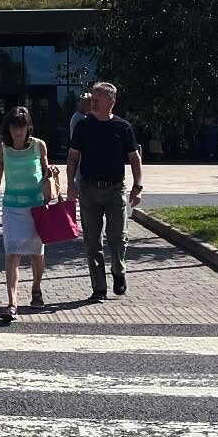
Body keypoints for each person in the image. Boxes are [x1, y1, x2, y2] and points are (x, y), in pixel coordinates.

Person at [67, 81, 144, 301]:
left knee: (117, 237)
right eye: (92, 99)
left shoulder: (123, 127)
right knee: (92, 241)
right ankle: (99, 288)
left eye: (97, 99)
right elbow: (73, 157)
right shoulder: (83, 126)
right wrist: (71, 185)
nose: (92, 103)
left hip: (115, 190)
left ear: (111, 101)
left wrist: (138, 186)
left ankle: (118, 270)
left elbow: (134, 159)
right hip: (88, 190)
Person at [0, 106, 57, 321]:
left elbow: (46, 172)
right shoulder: (2, 149)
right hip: (12, 208)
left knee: (36, 253)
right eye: (14, 127)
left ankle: (36, 289)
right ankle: (12, 303)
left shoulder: (39, 146)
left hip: (36, 208)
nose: (18, 131)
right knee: (12, 253)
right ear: (8, 128)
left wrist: (51, 173)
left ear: (28, 127)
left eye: (21, 127)